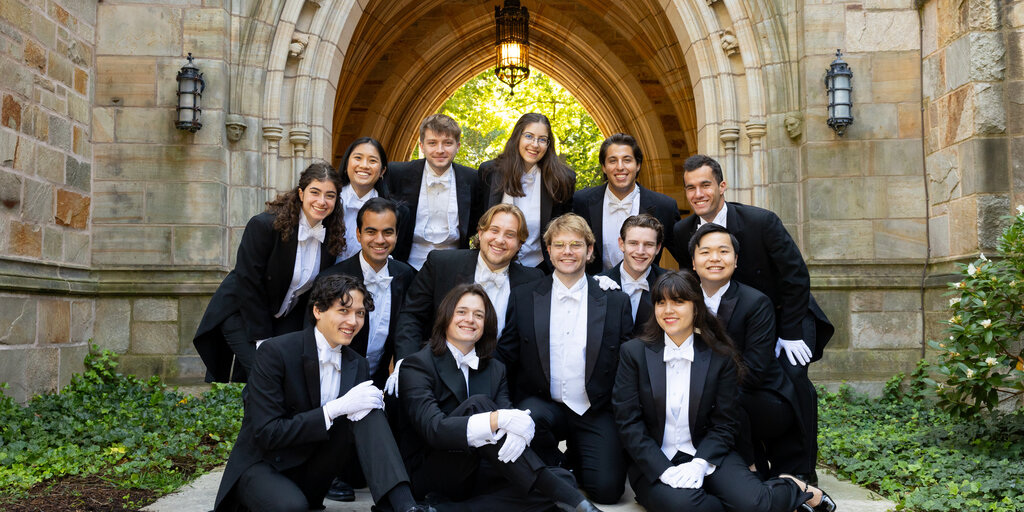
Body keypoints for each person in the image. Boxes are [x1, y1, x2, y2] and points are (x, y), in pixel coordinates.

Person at [612, 271, 836, 512]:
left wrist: (700, 463)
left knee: (753, 504)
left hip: (709, 455)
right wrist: (663, 469)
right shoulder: (633, 353)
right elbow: (628, 423)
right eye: (661, 302)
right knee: (689, 508)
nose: (668, 310)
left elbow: (725, 423)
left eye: (678, 301)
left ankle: (792, 487)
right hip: (655, 461)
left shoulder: (720, 356)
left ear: (696, 308)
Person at [670, 154, 834, 483]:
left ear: (722, 186)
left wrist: (787, 333)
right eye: (690, 188)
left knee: (791, 384)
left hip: (786, 315)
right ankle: (751, 460)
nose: (698, 194)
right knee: (737, 388)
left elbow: (796, 277)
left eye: (705, 185)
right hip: (733, 321)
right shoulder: (681, 231)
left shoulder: (762, 221)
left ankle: (798, 471)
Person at [213, 274, 433, 512]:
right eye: (344, 311)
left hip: (314, 470)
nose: (354, 321)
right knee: (291, 507)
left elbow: (362, 431)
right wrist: (333, 410)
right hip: (265, 464)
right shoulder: (275, 352)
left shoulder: (357, 363)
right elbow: (268, 433)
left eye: (360, 313)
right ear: (318, 310)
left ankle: (405, 507)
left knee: (367, 409)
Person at [395, 284, 604, 512]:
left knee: (562, 478)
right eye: (461, 312)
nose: (470, 320)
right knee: (480, 405)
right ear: (446, 316)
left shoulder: (495, 369)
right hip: (435, 469)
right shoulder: (417, 365)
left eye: (479, 315)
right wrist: (496, 421)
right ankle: (579, 505)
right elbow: (433, 429)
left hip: (481, 470)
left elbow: (509, 425)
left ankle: (445, 510)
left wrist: (518, 432)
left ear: (487, 324)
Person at [495, 213, 632, 505]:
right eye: (559, 245)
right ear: (548, 250)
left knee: (608, 490)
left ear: (590, 251)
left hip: (594, 407)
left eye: (576, 244)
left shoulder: (614, 300)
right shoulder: (524, 296)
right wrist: (504, 409)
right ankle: (557, 464)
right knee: (530, 434)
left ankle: (575, 458)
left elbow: (627, 364)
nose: (567, 252)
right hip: (543, 404)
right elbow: (506, 355)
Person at [194, 162, 345, 383]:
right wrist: (263, 340)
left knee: (289, 377)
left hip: (282, 318)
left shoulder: (329, 236)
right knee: (266, 377)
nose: (322, 201)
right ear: (301, 193)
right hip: (241, 314)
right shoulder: (263, 226)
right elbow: (248, 283)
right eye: (315, 192)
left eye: (329, 195)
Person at [688, 223, 807, 478]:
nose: (715, 258)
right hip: (707, 394)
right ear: (694, 262)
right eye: (706, 252)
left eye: (723, 251)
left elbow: (755, 370)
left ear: (736, 260)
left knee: (720, 401)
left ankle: (754, 468)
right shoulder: (683, 300)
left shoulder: (756, 303)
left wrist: (706, 386)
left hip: (761, 397)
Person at [390, 204, 545, 378]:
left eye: (510, 235)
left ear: (519, 244)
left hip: (498, 379)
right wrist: (408, 364)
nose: (500, 240)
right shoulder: (442, 264)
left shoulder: (532, 281)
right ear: (480, 233)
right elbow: (411, 316)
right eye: (494, 230)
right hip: (436, 371)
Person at [572, 133, 680, 274]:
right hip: (596, 292)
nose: (620, 167)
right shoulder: (581, 201)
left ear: (638, 165)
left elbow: (687, 258)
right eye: (612, 161)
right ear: (604, 167)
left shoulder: (665, 206)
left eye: (627, 160)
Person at [479, 113, 576, 270]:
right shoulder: (489, 171)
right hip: (493, 265)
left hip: (540, 268)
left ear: (548, 144)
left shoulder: (562, 180)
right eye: (529, 136)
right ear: (518, 137)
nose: (535, 144)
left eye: (542, 139)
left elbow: (564, 230)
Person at [386, 114, 483, 270]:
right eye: (432, 143)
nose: (440, 150)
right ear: (422, 146)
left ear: (457, 146)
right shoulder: (398, 173)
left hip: (454, 266)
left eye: (447, 143)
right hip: (406, 265)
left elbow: (476, 221)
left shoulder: (472, 178)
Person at [596, 214, 668, 333]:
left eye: (648, 244)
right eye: (633, 243)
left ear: (658, 248)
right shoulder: (599, 284)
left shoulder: (671, 284)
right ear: (621, 244)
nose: (640, 251)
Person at [336, 136, 393, 262]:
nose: (364, 165)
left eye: (372, 161)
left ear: (382, 171)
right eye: (358, 158)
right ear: (346, 164)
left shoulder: (394, 212)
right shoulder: (328, 202)